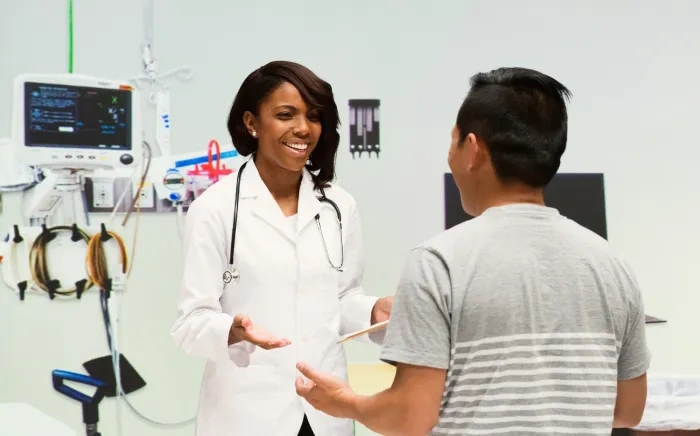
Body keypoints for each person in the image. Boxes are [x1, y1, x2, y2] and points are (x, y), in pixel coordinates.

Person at [294, 67, 651, 435]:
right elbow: (628, 409)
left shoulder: (440, 263)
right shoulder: (613, 267)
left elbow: (409, 416)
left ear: (472, 149)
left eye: (453, 140)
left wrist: (345, 402)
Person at [170, 60, 393, 436]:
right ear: (252, 123)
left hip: (325, 407)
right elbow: (190, 323)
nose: (303, 129)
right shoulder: (216, 208)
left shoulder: (339, 206)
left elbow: (340, 299)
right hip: (247, 414)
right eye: (286, 115)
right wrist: (233, 330)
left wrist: (373, 310)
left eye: (314, 116)